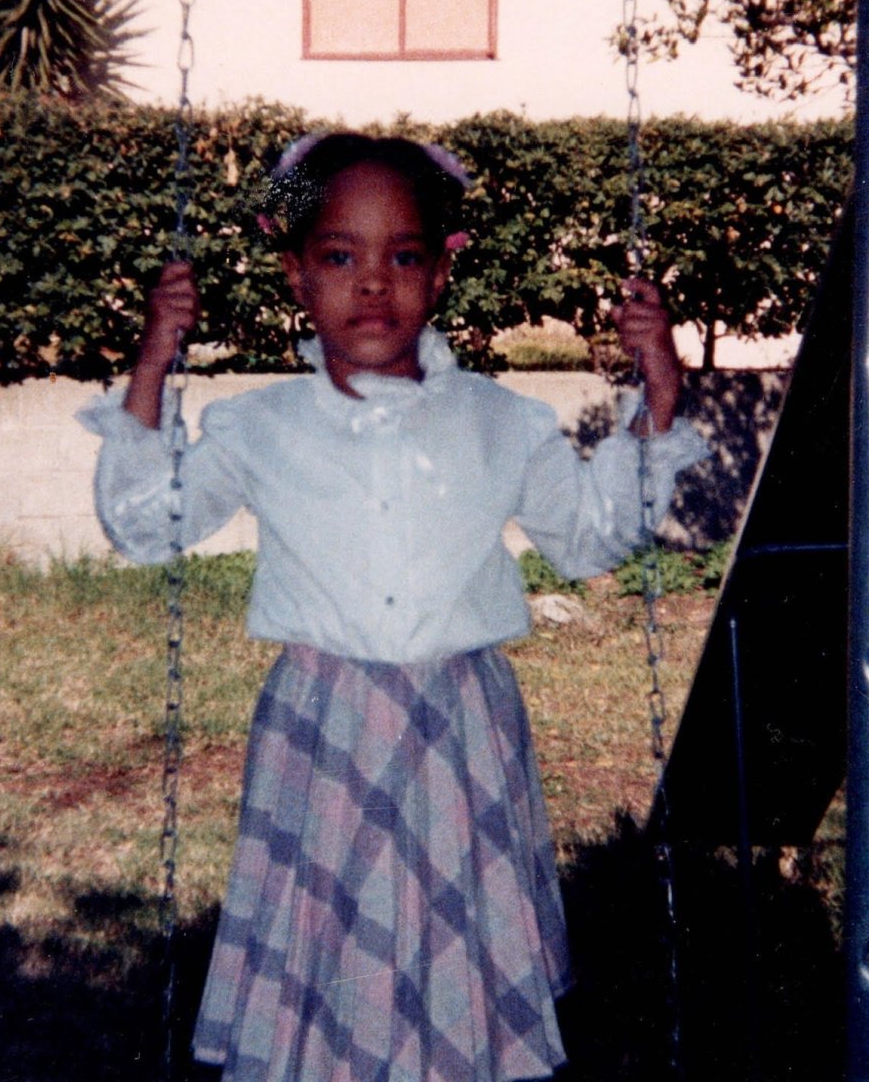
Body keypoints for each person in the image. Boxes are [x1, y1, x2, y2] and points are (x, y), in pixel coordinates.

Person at [81, 132, 707, 1082]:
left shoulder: (502, 422)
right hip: (321, 732)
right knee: (334, 959)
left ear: (440, 273)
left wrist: (657, 392)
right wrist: (153, 361)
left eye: (403, 256)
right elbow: (143, 524)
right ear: (296, 273)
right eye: (340, 257)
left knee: (454, 962)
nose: (373, 284)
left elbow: (589, 539)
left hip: (461, 734)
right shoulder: (259, 426)